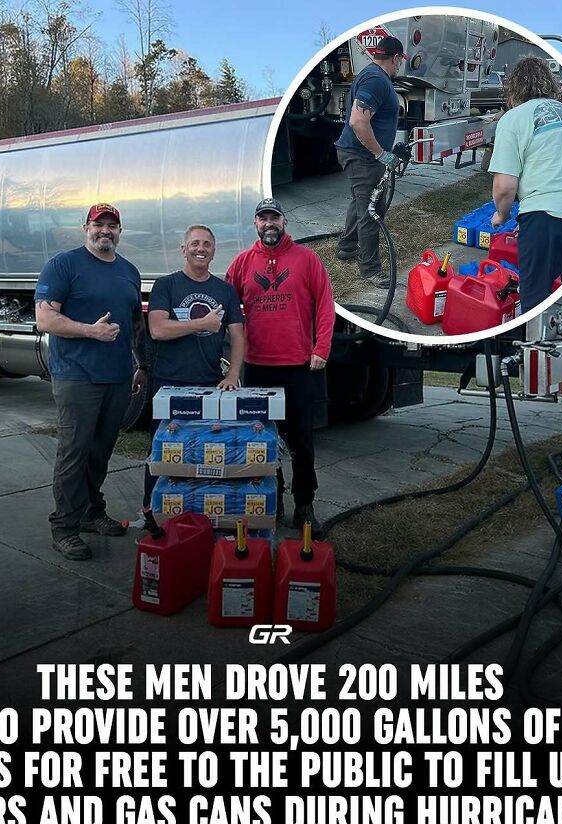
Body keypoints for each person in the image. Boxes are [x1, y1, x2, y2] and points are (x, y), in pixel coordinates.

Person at [35, 203, 147, 560]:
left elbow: (135, 324)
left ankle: (90, 512)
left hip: (117, 377)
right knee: (75, 452)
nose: (105, 231)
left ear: (119, 231)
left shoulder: (129, 271)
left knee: (100, 452)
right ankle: (64, 528)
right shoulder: (64, 265)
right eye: (99, 224)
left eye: (112, 225)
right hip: (77, 376)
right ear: (86, 228)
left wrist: (141, 365)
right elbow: (45, 319)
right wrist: (90, 331)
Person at [225, 198, 335, 537]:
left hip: (298, 366)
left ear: (284, 222)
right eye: (263, 218)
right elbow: (227, 308)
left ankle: (304, 504)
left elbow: (325, 304)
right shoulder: (242, 263)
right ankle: (273, 497)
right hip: (258, 367)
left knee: (302, 441)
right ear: (255, 224)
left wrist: (321, 348)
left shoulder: (307, 259)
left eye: (274, 217)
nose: (269, 223)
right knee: (263, 440)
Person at [489, 56, 562, 313]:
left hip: (548, 215)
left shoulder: (513, 118)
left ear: (514, 88)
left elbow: (505, 186)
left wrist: (501, 215)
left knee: (535, 305)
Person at [142, 224, 244, 516]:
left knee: (203, 450)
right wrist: (202, 323)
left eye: (207, 244)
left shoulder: (225, 291)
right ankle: (152, 511)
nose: (201, 249)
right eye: (195, 243)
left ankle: (197, 512)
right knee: (163, 449)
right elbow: (158, 329)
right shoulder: (166, 285)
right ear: (183, 249)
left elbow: (238, 335)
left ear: (214, 251)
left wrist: (233, 374)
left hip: (209, 383)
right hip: (169, 384)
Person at [334, 35, 407, 288]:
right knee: (371, 210)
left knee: (360, 202)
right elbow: (358, 121)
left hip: (358, 153)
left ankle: (347, 246)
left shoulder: (372, 75)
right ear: (395, 58)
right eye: (400, 61)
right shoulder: (376, 80)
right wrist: (380, 154)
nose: (399, 65)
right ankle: (370, 269)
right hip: (362, 156)